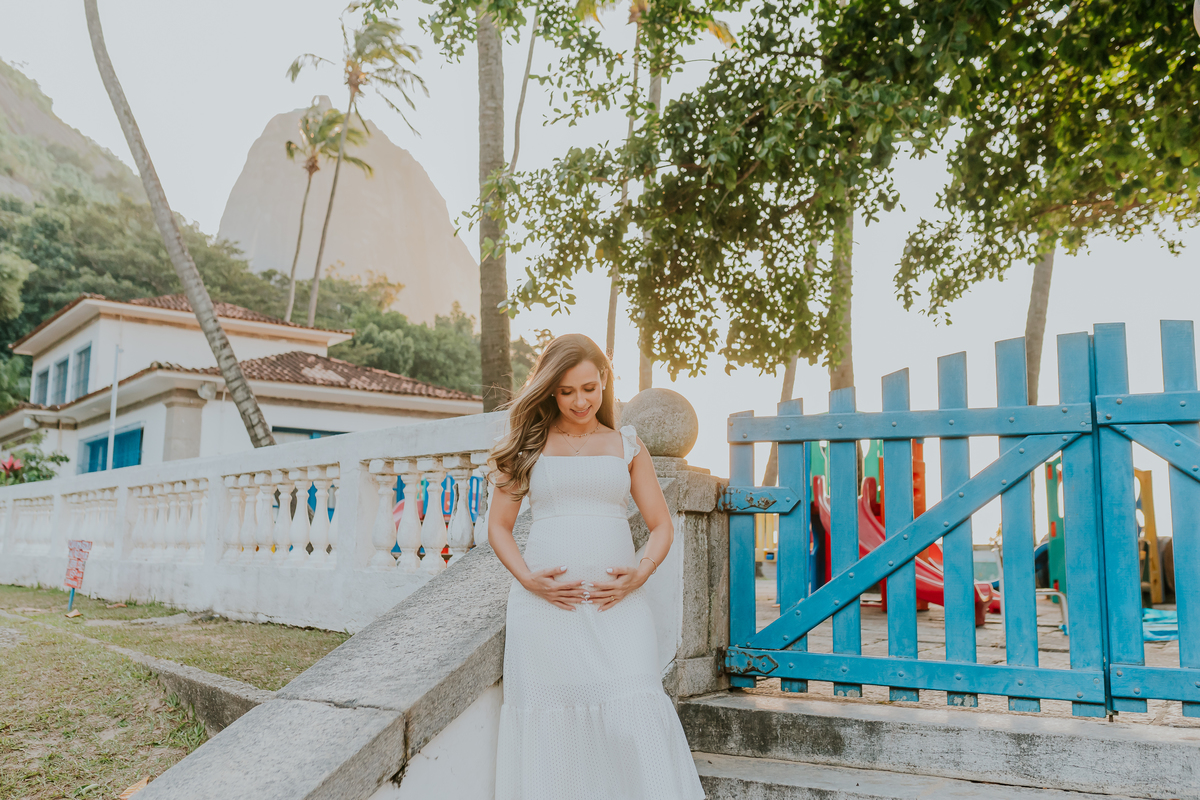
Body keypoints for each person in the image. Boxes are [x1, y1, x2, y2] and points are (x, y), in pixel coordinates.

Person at [487, 333, 705, 800]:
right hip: (546, 611)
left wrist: (641, 572)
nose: (579, 401)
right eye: (566, 391)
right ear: (550, 390)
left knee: (635, 711)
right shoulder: (531, 444)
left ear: (604, 381)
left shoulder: (627, 444)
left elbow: (661, 526)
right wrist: (527, 578)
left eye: (588, 388)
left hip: (618, 606)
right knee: (554, 721)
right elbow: (499, 527)